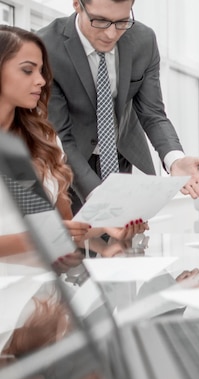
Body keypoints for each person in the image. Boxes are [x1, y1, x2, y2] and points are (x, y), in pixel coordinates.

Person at [37, 0, 199, 212]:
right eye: (100, 21)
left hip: (122, 158)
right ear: (77, 4)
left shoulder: (143, 40)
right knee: (76, 238)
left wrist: (175, 159)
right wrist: (97, 194)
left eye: (122, 22)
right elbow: (61, 135)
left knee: (125, 239)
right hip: (71, 161)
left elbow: (153, 113)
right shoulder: (47, 46)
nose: (111, 34)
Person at [0, 25, 145, 258]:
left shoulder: (45, 139)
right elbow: (52, 234)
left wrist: (107, 233)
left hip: (47, 285)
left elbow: (66, 227)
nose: (41, 81)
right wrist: (45, 237)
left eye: (41, 71)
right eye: (28, 70)